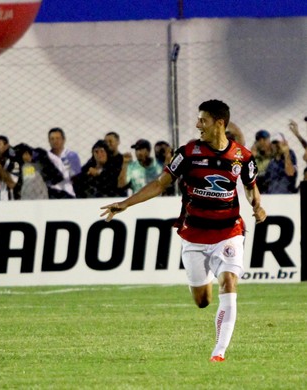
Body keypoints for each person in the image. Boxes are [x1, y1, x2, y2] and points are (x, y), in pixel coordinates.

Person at [100, 99, 267, 362]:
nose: (197, 124)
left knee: (229, 282)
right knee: (202, 301)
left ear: (219, 123)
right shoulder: (188, 153)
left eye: (203, 120)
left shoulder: (242, 157)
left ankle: (219, 352)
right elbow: (159, 184)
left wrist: (257, 206)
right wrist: (126, 203)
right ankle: (206, 289)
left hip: (229, 231)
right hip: (194, 235)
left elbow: (250, 186)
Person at [47, 127, 79, 198]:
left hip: (68, 193)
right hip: (50, 194)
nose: (55, 141)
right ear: (49, 141)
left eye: (58, 138)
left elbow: (77, 178)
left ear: (63, 140)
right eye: (52, 139)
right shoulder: (45, 157)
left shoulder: (72, 155)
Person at [104, 131, 127, 196]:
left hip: (119, 195)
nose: (108, 144)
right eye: (105, 142)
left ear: (118, 142)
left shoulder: (123, 160)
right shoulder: (101, 158)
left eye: (110, 141)